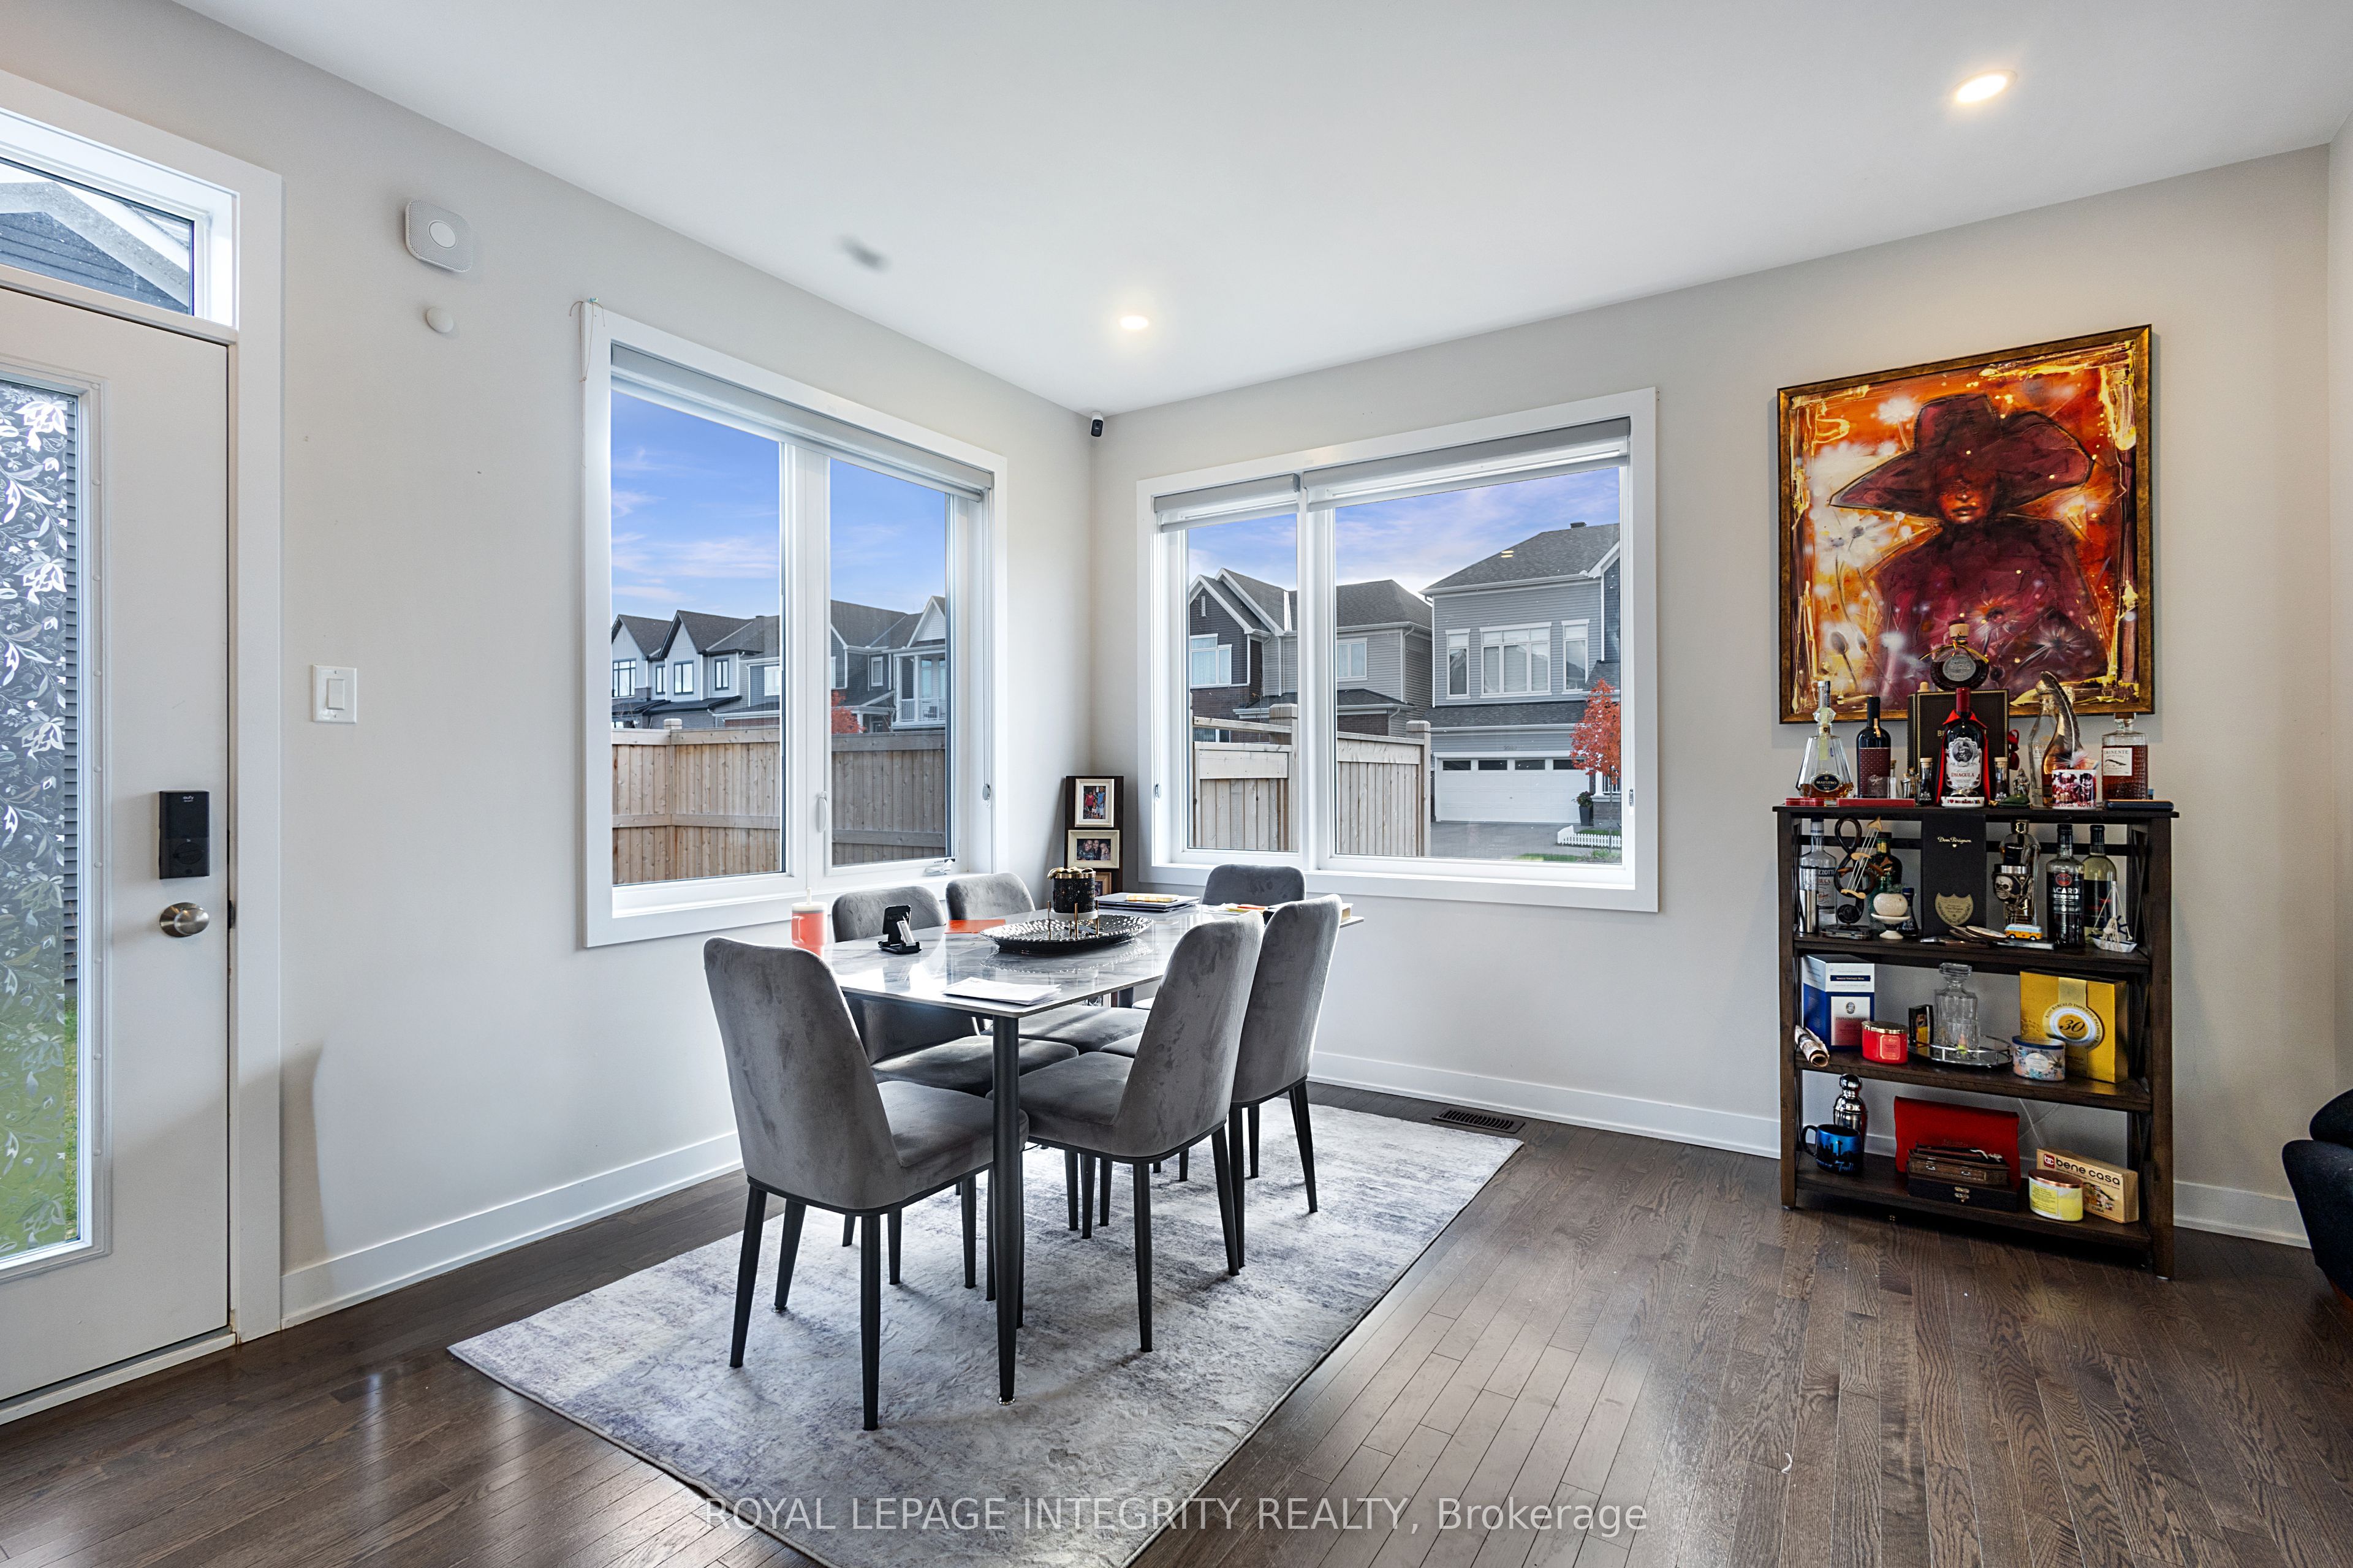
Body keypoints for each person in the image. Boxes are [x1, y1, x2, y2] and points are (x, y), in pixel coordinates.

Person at [1832, 393, 2106, 701]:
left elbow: (2079, 640)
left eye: (1975, 481)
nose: (1963, 495)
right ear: (1932, 493)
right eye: (1950, 486)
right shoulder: (1908, 572)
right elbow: (1898, 673)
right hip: (1939, 714)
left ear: (1996, 484)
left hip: (2028, 705)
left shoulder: (2043, 543)